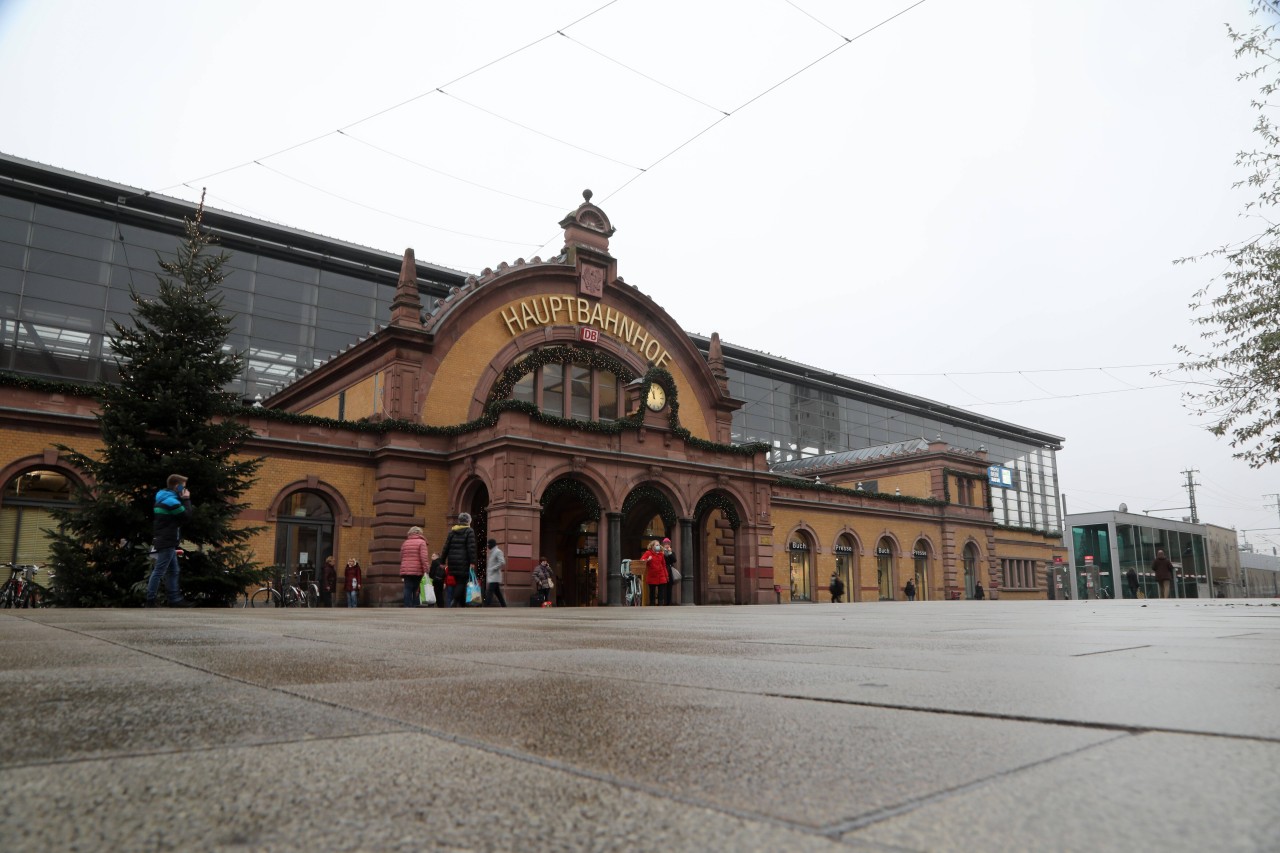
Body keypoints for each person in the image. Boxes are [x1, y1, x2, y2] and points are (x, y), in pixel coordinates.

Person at [146, 473, 194, 607]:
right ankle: (150, 600)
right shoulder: (171, 502)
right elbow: (186, 517)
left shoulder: (162, 499)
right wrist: (186, 499)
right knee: (159, 570)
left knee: (173, 570)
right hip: (167, 541)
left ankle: (174, 599)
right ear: (177, 487)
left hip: (166, 540)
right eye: (183, 487)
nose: (184, 489)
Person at [441, 512, 478, 608]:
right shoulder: (469, 531)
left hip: (453, 561)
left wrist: (442, 561)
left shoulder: (452, 531)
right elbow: (471, 548)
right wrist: (472, 562)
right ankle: (455, 600)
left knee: (458, 582)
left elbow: (446, 547)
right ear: (468, 521)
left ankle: (462, 605)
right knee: (461, 582)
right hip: (464, 561)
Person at [399, 526, 430, 607]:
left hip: (406, 570)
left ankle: (407, 606)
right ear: (419, 533)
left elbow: (401, 556)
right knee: (416, 589)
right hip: (417, 570)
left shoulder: (405, 543)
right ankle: (415, 606)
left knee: (407, 588)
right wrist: (426, 570)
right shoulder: (421, 542)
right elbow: (424, 558)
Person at [637, 540, 669, 607]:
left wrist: (666, 575)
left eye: (659, 545)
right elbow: (641, 560)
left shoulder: (661, 554)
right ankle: (652, 605)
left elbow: (664, 565)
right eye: (656, 545)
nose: (658, 546)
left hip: (661, 575)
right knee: (652, 592)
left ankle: (660, 605)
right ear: (652, 546)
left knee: (661, 592)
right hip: (652, 576)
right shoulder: (648, 553)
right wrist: (647, 559)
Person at [483, 538, 508, 607]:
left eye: (488, 544)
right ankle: (504, 605)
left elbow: (502, 562)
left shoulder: (498, 551)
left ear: (492, 545)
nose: (488, 546)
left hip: (495, 576)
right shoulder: (492, 552)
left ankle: (486, 606)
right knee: (498, 593)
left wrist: (494, 568)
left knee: (489, 592)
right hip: (492, 576)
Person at [661, 537, 677, 605]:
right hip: (663, 570)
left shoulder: (671, 552)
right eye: (665, 544)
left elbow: (674, 560)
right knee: (663, 587)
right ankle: (662, 602)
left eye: (668, 544)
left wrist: (670, 553)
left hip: (669, 571)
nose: (667, 545)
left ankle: (668, 602)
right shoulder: (661, 552)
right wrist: (664, 553)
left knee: (669, 587)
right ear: (663, 545)